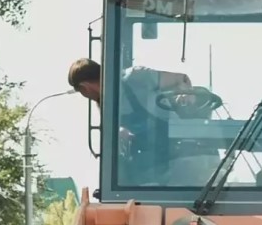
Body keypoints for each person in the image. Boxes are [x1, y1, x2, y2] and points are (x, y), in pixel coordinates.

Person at [67, 57, 195, 183]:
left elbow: (182, 79)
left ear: (85, 87)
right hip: (151, 162)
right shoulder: (106, 108)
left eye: (81, 93)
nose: (85, 96)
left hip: (180, 148)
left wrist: (187, 94)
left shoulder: (136, 77)